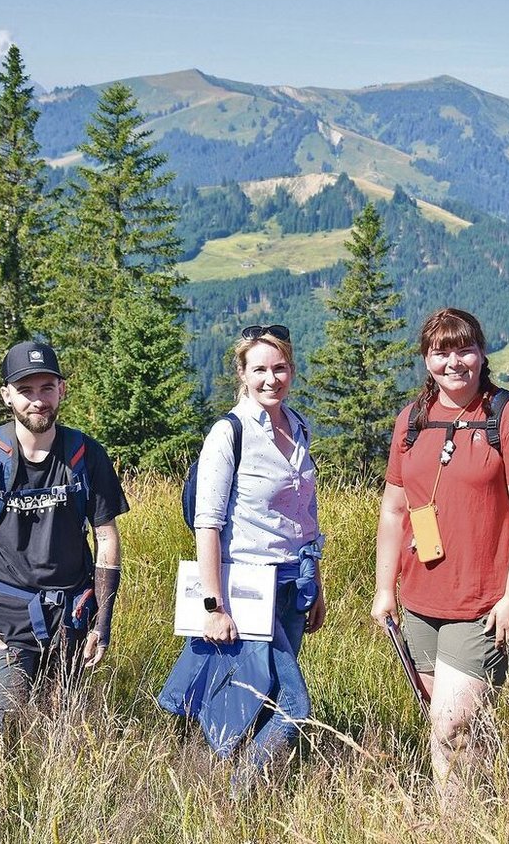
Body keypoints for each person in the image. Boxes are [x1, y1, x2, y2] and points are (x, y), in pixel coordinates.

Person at [372, 307, 509, 789]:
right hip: (419, 601)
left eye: (464, 349)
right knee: (448, 726)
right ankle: (472, 814)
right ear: (427, 359)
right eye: (441, 351)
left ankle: (456, 826)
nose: (454, 362)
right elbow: (394, 510)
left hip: (484, 603)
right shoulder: (411, 420)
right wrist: (384, 590)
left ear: (482, 352)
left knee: (452, 725)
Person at [0, 341, 129, 739]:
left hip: (72, 616)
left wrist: (102, 624)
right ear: (7, 395)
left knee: (65, 728)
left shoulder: (86, 454)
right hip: (5, 617)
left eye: (46, 388)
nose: (37, 401)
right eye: (25, 390)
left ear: (62, 390)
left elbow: (106, 536)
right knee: (1, 724)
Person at [159, 323, 325, 787]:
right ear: (243, 373)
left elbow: (304, 515)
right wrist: (213, 606)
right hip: (251, 587)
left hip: (296, 581)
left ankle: (216, 777)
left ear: (291, 370)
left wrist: (319, 586)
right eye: (260, 370)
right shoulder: (228, 433)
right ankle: (237, 795)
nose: (271, 379)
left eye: (280, 368)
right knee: (295, 706)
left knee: (265, 692)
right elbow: (207, 524)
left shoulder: (298, 427)